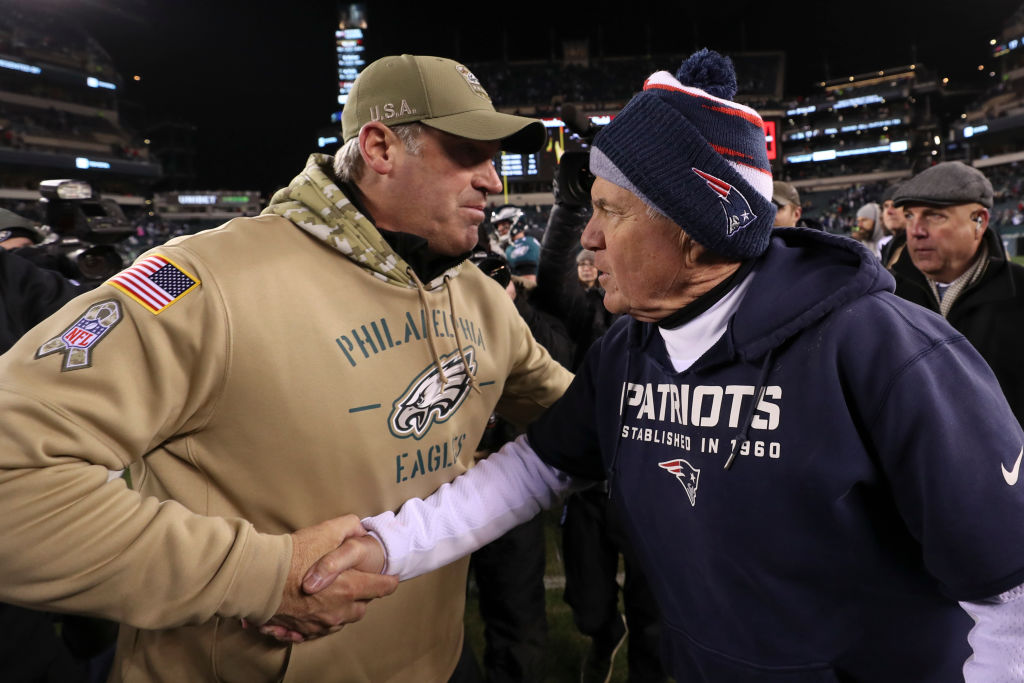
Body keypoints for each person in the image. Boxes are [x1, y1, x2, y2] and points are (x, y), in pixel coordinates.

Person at [306, 49, 1024, 682]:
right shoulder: (630, 347)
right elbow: (536, 468)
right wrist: (390, 542)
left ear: (697, 233)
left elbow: (1009, 582)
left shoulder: (884, 350)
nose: (587, 236)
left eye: (612, 211)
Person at [0, 53, 572, 683]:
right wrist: (260, 577)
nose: (494, 182)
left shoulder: (479, 295)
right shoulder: (200, 283)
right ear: (379, 148)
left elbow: (581, 418)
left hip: (435, 662)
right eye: (469, 153)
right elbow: (13, 482)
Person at [532, 184, 665, 683]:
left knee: (655, 609)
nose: (594, 250)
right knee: (588, 600)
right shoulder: (590, 311)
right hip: (589, 485)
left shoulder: (688, 326)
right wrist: (566, 209)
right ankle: (605, 634)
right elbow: (553, 280)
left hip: (655, 484)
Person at [466, 248, 573, 683]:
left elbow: (559, 365)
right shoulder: (436, 321)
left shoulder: (529, 320)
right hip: (437, 485)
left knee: (516, 611)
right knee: (423, 617)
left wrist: (511, 311)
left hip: (503, 485)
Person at [890, 160, 1024, 427]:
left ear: (980, 221)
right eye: (910, 216)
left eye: (934, 216)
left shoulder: (1019, 295)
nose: (916, 231)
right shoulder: (888, 297)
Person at [879, 182, 907, 267]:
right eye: (886, 206)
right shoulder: (888, 247)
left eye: (895, 205)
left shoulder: (923, 245)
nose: (889, 211)